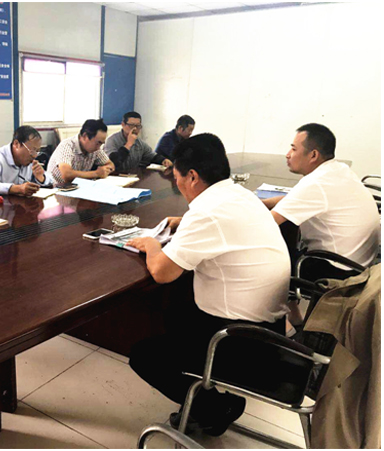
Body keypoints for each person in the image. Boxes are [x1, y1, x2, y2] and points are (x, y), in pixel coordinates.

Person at [126, 133, 291, 436]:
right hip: (272, 329)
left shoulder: (205, 213)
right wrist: (185, 221)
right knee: (178, 304)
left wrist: (151, 244)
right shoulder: (240, 195)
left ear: (192, 176)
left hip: (238, 340)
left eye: (177, 177)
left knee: (144, 355)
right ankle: (204, 387)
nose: (177, 184)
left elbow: (162, 272)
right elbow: (220, 225)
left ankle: (213, 407)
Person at [263, 123, 380, 280]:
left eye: (294, 149)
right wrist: (264, 203)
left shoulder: (316, 183)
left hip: (337, 271)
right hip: (360, 264)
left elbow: (267, 224)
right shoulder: (338, 170)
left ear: (313, 155)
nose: (288, 154)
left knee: (265, 258)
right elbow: (295, 200)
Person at [0, 126, 52, 198]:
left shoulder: (29, 161)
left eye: (37, 151)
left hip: (16, 205)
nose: (34, 156)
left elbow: (51, 180)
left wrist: (41, 178)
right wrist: (17, 188)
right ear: (16, 144)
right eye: (32, 150)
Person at [47, 119, 115, 185]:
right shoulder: (67, 146)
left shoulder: (95, 149)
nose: (99, 147)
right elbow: (67, 175)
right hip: (56, 188)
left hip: (78, 187)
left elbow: (110, 164)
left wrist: (106, 170)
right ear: (85, 136)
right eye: (98, 143)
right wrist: (96, 173)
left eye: (101, 144)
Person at [104, 111, 172, 173]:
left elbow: (152, 156)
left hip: (132, 176)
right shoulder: (111, 140)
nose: (135, 129)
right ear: (123, 125)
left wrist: (163, 160)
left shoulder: (140, 142)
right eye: (131, 125)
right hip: (114, 176)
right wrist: (128, 144)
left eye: (138, 126)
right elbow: (113, 162)